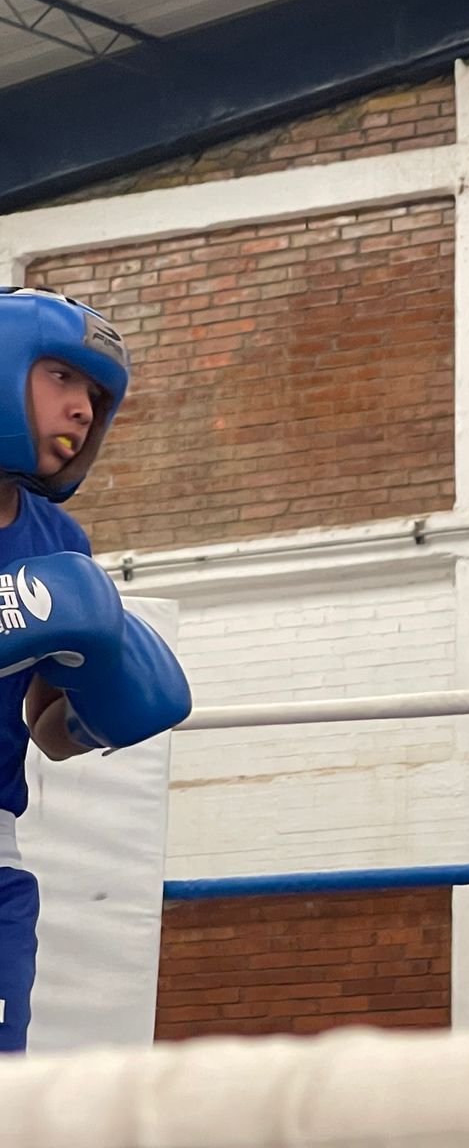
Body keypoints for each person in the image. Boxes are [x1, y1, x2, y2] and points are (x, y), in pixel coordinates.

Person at [0, 287, 191, 1051]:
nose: (82, 409)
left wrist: (103, 708)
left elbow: (46, 731)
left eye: (97, 396)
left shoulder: (59, 542)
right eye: (62, 377)